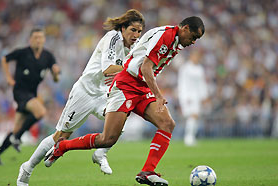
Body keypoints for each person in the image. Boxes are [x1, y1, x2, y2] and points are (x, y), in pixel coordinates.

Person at [45, 16, 205, 185]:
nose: (193, 42)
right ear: (185, 28)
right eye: (194, 37)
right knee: (108, 139)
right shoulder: (165, 35)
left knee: (167, 123)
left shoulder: (174, 40)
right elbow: (145, 66)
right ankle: (62, 146)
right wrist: (158, 95)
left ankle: (147, 171)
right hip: (126, 85)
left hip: (142, 87)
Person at [17, 9, 145, 186]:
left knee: (120, 119)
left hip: (103, 93)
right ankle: (27, 168)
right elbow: (108, 69)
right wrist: (132, 69)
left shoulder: (133, 46)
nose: (136, 34)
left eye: (139, 31)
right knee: (61, 136)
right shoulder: (113, 37)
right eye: (133, 30)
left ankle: (100, 153)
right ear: (123, 28)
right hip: (85, 91)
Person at [0, 28, 60, 165]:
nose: (38, 40)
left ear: (44, 40)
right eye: (35, 37)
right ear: (30, 40)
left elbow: (56, 79)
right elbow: (4, 59)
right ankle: (17, 137)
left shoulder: (48, 56)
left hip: (32, 93)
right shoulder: (22, 52)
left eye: (40, 37)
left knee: (16, 127)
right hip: (20, 91)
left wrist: (55, 73)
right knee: (41, 111)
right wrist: (8, 77)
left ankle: (0, 151)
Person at [177, 50, 209, 146]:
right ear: (191, 56)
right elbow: (181, 83)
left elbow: (202, 83)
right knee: (191, 116)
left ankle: (190, 137)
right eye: (195, 56)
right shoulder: (185, 68)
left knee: (195, 116)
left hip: (197, 96)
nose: (196, 58)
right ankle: (189, 137)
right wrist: (183, 96)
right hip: (187, 96)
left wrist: (204, 96)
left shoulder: (200, 68)